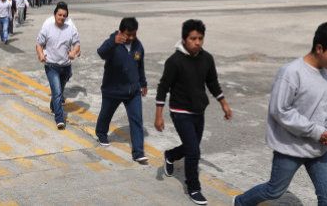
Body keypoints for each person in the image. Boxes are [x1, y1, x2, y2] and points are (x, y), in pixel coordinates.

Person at [234, 22, 327, 206]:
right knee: (274, 190)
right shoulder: (291, 73)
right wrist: (317, 132)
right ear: (319, 48)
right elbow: (281, 111)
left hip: (319, 149)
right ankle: (240, 202)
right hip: (290, 148)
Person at [154, 19, 233, 205]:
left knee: (192, 148)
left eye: (200, 38)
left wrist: (224, 104)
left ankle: (170, 156)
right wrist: (159, 115)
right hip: (180, 110)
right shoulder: (174, 61)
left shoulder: (207, 58)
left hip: (198, 111)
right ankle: (193, 188)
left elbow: (212, 82)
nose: (197, 42)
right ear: (184, 39)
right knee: (194, 151)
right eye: (193, 38)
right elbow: (162, 88)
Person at [95, 17, 148, 164]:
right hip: (113, 89)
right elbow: (101, 52)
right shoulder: (113, 42)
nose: (131, 37)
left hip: (133, 91)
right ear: (121, 31)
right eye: (128, 34)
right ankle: (101, 133)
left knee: (137, 120)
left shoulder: (138, 46)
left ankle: (138, 152)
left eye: (134, 34)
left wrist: (143, 83)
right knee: (106, 114)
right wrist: (113, 42)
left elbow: (140, 66)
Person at [36, 2, 80, 129]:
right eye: (59, 15)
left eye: (64, 15)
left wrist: (73, 52)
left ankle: (53, 105)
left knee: (58, 91)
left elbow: (77, 44)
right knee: (57, 93)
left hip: (66, 67)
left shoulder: (70, 29)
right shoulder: (47, 27)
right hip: (51, 66)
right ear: (54, 15)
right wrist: (40, 55)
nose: (61, 17)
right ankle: (59, 119)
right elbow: (39, 44)